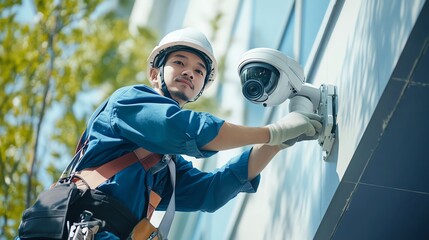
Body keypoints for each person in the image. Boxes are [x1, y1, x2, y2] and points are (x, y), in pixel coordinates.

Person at [72, 27, 322, 239]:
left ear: (201, 87)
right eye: (179, 62)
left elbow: (210, 192)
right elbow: (191, 130)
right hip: (84, 226)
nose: (189, 72)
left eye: (199, 71)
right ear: (154, 74)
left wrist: (276, 143)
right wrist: (273, 132)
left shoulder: (166, 164)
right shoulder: (129, 102)